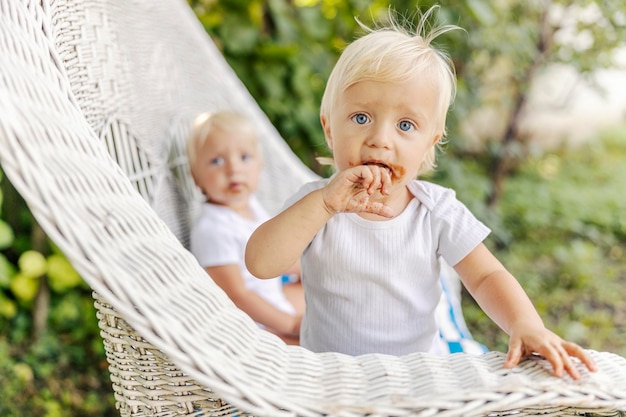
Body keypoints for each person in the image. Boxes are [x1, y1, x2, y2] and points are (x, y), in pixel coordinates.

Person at [245, 7, 596, 378]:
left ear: (429, 143)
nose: (380, 140)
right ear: (329, 129)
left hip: (415, 379)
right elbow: (260, 264)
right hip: (329, 378)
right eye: (361, 118)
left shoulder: (435, 209)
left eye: (405, 125)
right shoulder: (316, 203)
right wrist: (324, 204)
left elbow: (486, 276)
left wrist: (525, 323)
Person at [187, 111, 304, 344]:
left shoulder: (251, 206)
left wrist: (308, 268)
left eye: (244, 157)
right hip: (255, 326)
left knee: (336, 298)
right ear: (196, 177)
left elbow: (272, 256)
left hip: (275, 297)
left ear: (259, 165)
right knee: (323, 341)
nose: (233, 169)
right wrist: (290, 325)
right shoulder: (213, 229)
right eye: (217, 161)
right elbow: (236, 295)